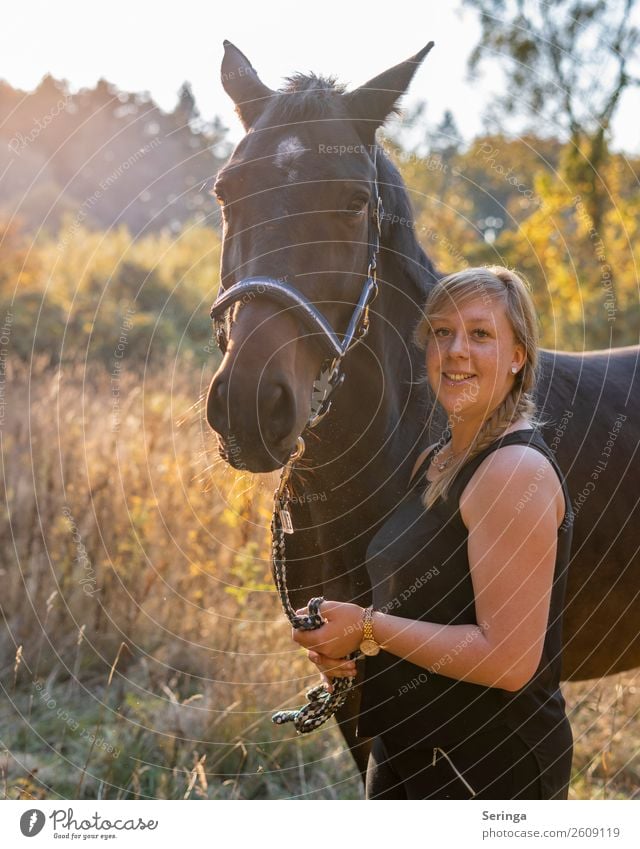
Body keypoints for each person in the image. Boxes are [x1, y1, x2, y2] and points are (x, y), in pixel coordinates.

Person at [291, 266, 574, 800]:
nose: (456, 350)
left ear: (519, 357)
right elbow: (424, 609)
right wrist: (351, 651)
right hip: (409, 745)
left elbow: (509, 661)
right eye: (442, 332)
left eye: (481, 334)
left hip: (486, 766)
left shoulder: (512, 471)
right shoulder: (435, 459)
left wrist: (368, 628)